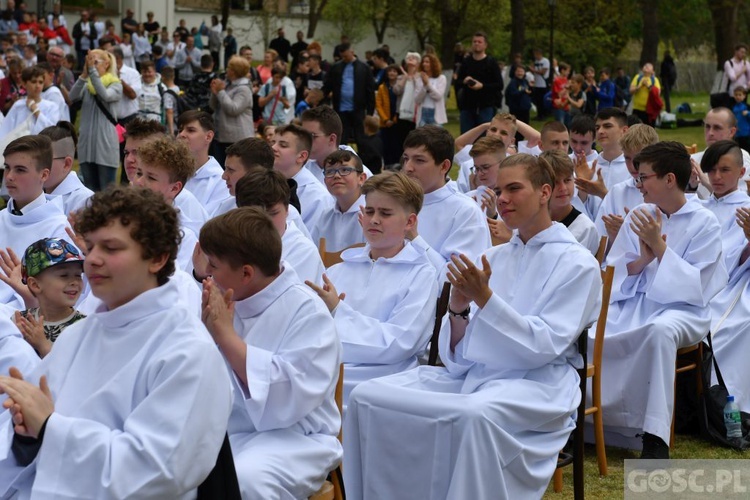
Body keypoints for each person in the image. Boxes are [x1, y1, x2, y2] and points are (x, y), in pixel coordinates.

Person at [344, 153, 602, 499]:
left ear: (544, 192)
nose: (503, 199)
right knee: (368, 396)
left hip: (540, 383)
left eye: (514, 188)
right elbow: (461, 353)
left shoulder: (578, 263)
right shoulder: (493, 257)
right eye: (499, 190)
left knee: (473, 416)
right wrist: (459, 309)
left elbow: (544, 345)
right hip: (476, 374)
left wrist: (486, 299)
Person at [0, 185, 234, 497]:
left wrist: (48, 427)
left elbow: (158, 471)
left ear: (157, 258)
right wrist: (25, 430)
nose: (92, 260)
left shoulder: (187, 352)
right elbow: (30, 443)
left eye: (110, 248)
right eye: (91, 247)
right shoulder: (80, 336)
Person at [198, 206, 341, 498]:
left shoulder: (307, 312)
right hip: (227, 431)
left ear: (247, 273)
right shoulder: (227, 298)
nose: (206, 274)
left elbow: (288, 397)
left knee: (244, 481)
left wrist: (225, 337)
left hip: (296, 439)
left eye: (213, 265)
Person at [600, 141, 727, 458]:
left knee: (659, 331)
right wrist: (642, 261)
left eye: (644, 177)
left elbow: (698, 287)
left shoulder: (704, 221)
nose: (638, 184)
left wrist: (659, 247)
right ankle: (594, 424)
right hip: (636, 302)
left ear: (670, 179)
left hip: (684, 312)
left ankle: (654, 438)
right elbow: (613, 272)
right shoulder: (641, 215)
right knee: (591, 332)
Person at [308, 171, 437, 406]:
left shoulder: (421, 274)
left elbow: (398, 344)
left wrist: (339, 310)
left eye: (385, 213)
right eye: (369, 211)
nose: (374, 220)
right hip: (331, 365)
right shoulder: (338, 271)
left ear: (409, 222)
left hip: (386, 377)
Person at [401, 126, 492, 277]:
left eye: (419, 160)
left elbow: (460, 279)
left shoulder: (466, 211)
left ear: (444, 166)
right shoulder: (396, 202)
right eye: (406, 159)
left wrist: (415, 238)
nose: (408, 167)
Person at [0, 135, 71, 309]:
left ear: (44, 174)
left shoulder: (58, 230)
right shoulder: (2, 217)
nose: (9, 176)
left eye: (20, 170)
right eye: (7, 168)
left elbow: (54, 301)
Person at [232, 168, 324, 285]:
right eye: (254, 215)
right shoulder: (233, 242)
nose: (264, 222)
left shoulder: (303, 252)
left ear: (287, 210)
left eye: (273, 213)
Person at [12, 238, 85, 358]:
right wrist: (15, 340)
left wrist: (44, 346)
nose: (75, 282)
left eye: (78, 275)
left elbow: (79, 372)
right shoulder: (20, 322)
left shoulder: (85, 326)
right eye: (64, 275)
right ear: (35, 285)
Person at [594, 124, 659, 251]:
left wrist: (626, 232)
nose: (632, 166)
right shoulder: (617, 193)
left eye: (638, 159)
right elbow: (599, 243)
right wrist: (614, 235)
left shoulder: (664, 193)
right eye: (627, 158)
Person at [68, 49, 122, 191]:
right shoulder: (87, 85)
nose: (92, 65)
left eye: (96, 62)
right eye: (89, 61)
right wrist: (84, 74)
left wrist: (91, 72)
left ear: (107, 64)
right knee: (89, 189)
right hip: (87, 145)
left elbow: (105, 95)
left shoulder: (115, 84)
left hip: (105, 144)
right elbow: (71, 97)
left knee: (106, 190)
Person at [697, 140, 750, 270]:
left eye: (725, 170)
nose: (716, 176)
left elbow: (736, 260)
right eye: (711, 170)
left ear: (741, 172)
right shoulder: (699, 206)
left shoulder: (746, 211)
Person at [271, 123, 333, 232]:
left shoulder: (318, 197)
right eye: (273, 142)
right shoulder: (265, 182)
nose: (273, 148)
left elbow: (310, 238)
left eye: (283, 145)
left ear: (301, 156)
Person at [575, 108, 630, 220]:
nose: (600, 131)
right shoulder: (587, 167)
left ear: (624, 131)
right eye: (597, 127)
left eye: (607, 126)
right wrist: (582, 190)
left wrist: (603, 194)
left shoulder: (633, 169)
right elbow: (577, 210)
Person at [540, 150, 599, 254]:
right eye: (555, 182)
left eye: (567, 180)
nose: (563, 188)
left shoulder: (585, 229)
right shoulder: (531, 221)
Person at [322, 42, 376, 149]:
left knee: (361, 138)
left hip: (358, 109)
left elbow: (370, 90)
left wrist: (370, 111)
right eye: (342, 57)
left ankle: (362, 160)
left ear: (352, 52)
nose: (344, 58)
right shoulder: (336, 67)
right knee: (341, 137)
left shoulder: (364, 68)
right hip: (341, 109)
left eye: (346, 56)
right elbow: (328, 86)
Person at [311, 149, 367, 252]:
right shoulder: (325, 217)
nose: (336, 176)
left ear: (361, 178)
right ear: (324, 181)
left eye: (345, 170)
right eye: (330, 172)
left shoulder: (369, 214)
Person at [177, 110, 230, 215]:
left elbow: (207, 223)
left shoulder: (220, 181)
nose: (181, 134)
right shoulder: (170, 172)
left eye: (191, 130)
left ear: (208, 137)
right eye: (180, 130)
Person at [39, 122, 93, 216]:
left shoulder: (84, 201)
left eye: (44, 159)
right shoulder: (32, 194)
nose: (36, 166)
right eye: (33, 159)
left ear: (66, 164)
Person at [210, 55, 254, 166]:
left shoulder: (244, 89)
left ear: (234, 71)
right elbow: (213, 106)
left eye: (229, 68)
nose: (226, 70)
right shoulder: (228, 85)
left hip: (237, 138)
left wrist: (220, 92)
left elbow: (233, 109)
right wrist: (215, 92)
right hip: (222, 136)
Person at [456, 32, 503, 133]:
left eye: (479, 42)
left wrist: (482, 86)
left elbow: (499, 85)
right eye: (474, 41)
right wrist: (464, 81)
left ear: (485, 45)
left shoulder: (491, 62)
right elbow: (457, 82)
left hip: (486, 106)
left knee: (484, 138)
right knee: (466, 138)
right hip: (467, 106)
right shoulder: (466, 62)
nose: (476, 44)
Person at [0, 65, 59, 136]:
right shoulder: (18, 105)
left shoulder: (51, 106)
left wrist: (36, 111)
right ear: (24, 84)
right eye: (33, 82)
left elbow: (52, 131)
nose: (37, 86)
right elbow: (6, 130)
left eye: (40, 82)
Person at [375, 64, 402, 166]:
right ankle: (387, 166)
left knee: (396, 145)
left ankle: (397, 165)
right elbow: (378, 104)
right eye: (390, 71)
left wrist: (394, 119)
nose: (392, 73)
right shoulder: (382, 87)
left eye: (394, 71)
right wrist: (386, 119)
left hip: (397, 121)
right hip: (385, 123)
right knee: (386, 145)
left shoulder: (400, 87)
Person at [415, 53, 447, 127]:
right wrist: (424, 86)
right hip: (423, 113)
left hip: (435, 114)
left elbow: (438, 96)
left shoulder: (441, 78)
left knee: (436, 137)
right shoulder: (419, 79)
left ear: (433, 64)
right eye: (423, 62)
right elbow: (417, 100)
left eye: (427, 62)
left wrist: (427, 84)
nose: (424, 64)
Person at [733, 86, 750, 153]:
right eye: (736, 95)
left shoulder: (747, 107)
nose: (738, 97)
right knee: (739, 150)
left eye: (740, 95)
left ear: (744, 96)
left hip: (747, 134)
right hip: (737, 134)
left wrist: (748, 113)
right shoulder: (733, 107)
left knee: (747, 150)